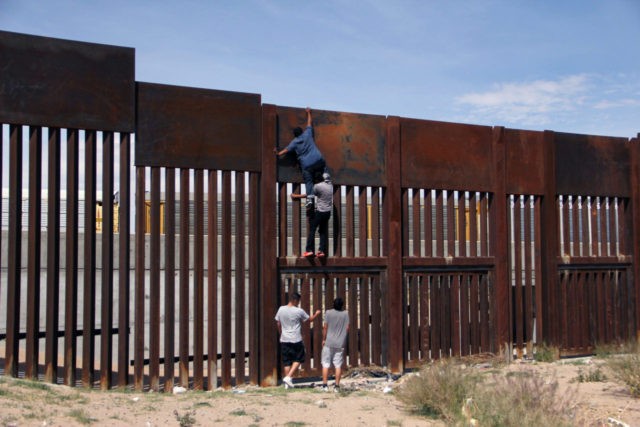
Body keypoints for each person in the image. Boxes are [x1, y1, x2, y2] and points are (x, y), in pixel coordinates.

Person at [275, 107, 327, 207]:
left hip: (307, 164)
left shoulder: (294, 142)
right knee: (323, 166)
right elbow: (309, 123)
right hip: (318, 159)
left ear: (295, 135)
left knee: (308, 181)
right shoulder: (307, 133)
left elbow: (286, 150)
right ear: (302, 132)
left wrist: (278, 154)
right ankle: (326, 178)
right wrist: (309, 113)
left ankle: (310, 199)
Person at [274, 291, 321, 389]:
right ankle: (288, 377)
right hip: (296, 338)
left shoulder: (281, 309)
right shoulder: (299, 311)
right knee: (300, 358)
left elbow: (278, 323)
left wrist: (281, 333)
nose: (299, 303)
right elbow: (309, 320)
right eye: (298, 301)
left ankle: (287, 384)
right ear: (295, 300)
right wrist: (316, 314)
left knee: (287, 361)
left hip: (284, 338)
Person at [290, 171, 333, 258]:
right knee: (322, 232)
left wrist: (296, 196)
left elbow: (309, 195)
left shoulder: (318, 186)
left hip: (320, 212)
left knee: (312, 229)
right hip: (328, 212)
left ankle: (309, 250)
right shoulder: (330, 186)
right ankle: (321, 251)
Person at [320, 297, 349, 393]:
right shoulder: (345, 314)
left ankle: (325, 385)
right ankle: (336, 386)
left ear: (333, 304)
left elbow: (325, 327)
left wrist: (324, 339)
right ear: (342, 305)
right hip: (339, 343)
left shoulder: (328, 313)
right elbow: (347, 328)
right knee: (338, 365)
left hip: (329, 342)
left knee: (325, 364)